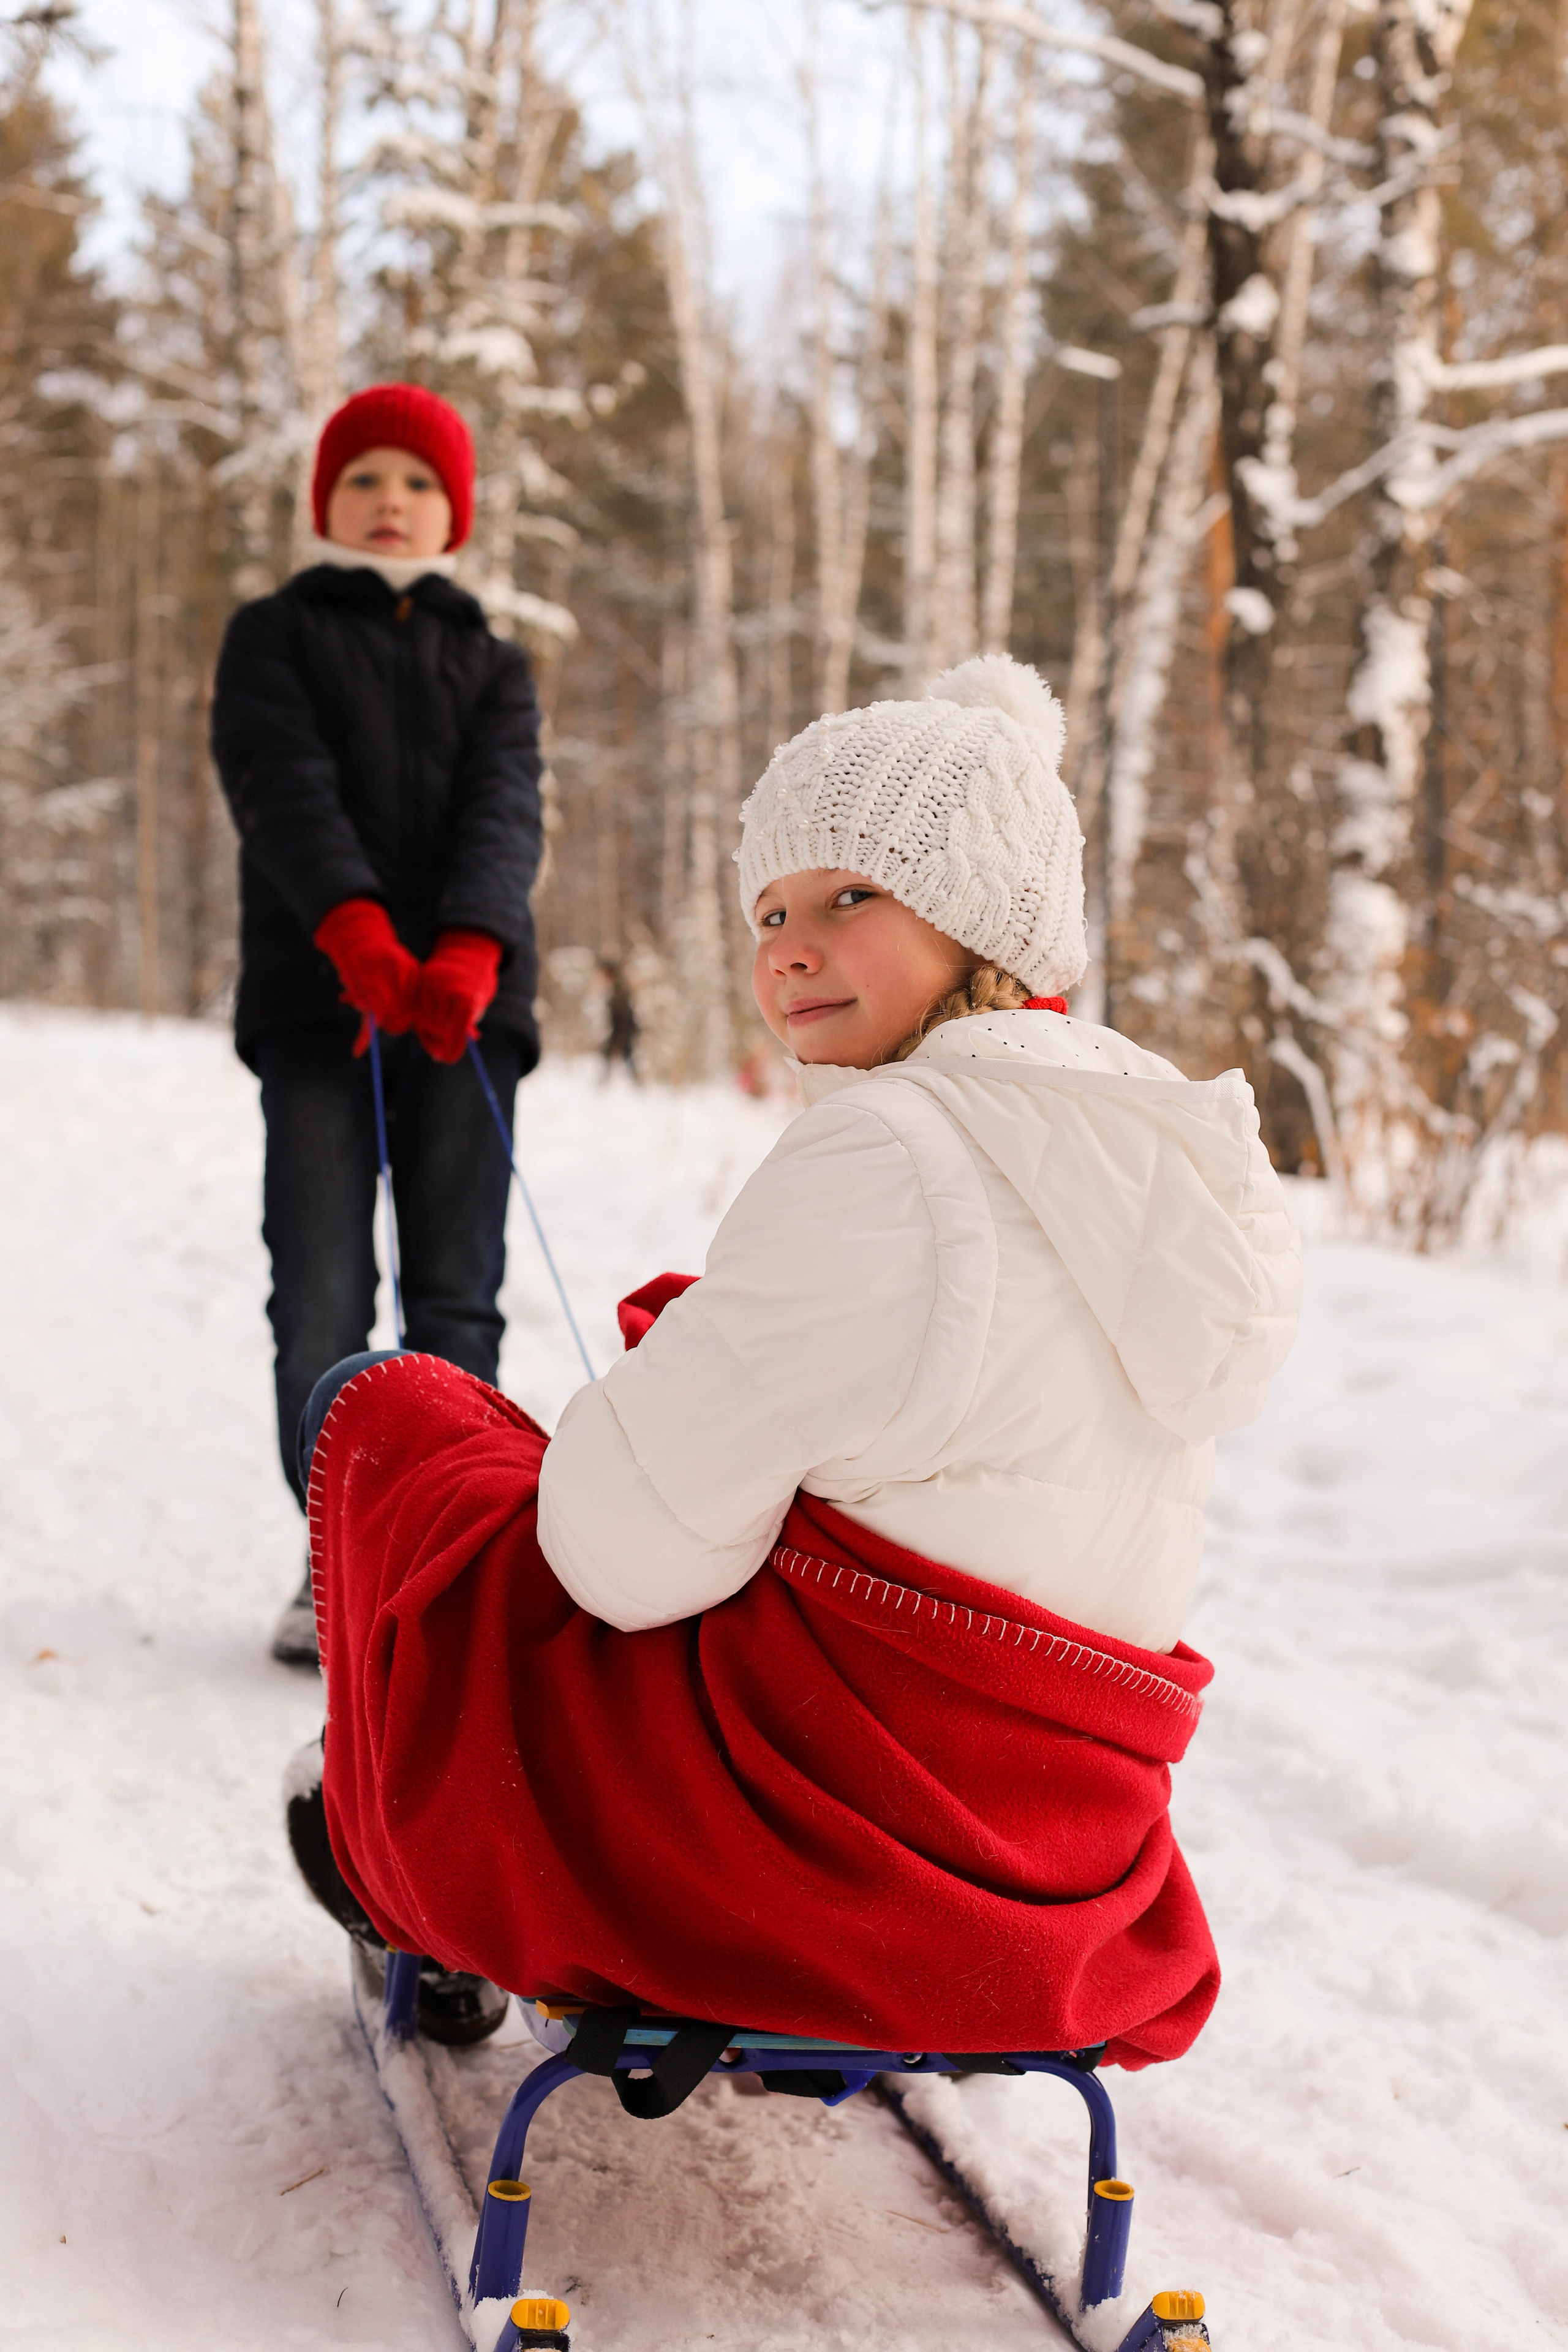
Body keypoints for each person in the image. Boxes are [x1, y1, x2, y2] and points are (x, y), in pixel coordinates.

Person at [287, 654, 1302, 2062]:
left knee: (394, 1412)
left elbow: (618, 1559)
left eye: (849, 898)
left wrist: (644, 1401)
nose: (788, 948)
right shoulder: (1162, 1163)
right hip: (1053, 1874)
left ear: (981, 913)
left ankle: (382, 1825)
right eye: (768, 911)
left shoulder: (887, 1151)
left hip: (833, 1866)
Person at [211, 383, 543, 1668]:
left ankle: (448, 1561)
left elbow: (506, 811)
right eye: (364, 479)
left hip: (467, 1014)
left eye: (417, 481)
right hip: (321, 1008)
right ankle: (335, 1562)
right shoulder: (273, 637)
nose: (390, 501)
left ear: (453, 512)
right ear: (325, 501)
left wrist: (468, 945)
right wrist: (352, 928)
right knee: (322, 1296)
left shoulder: (494, 664)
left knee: (457, 1297)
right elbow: (280, 786)